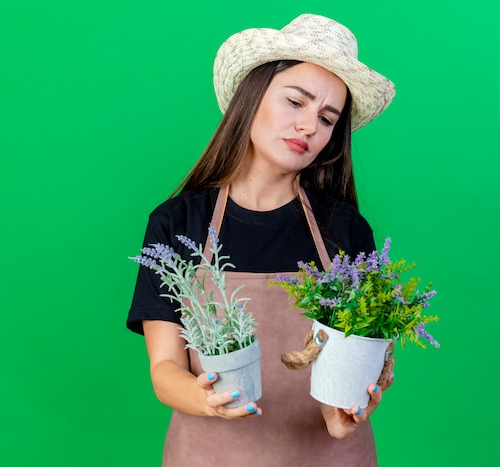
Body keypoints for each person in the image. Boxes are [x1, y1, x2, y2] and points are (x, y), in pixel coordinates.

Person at [127, 13, 396, 466]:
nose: (310, 126)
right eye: (296, 101)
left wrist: (348, 410)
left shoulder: (346, 231)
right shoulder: (178, 223)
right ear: (252, 98)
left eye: (327, 118)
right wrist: (204, 397)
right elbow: (164, 370)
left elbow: (355, 362)